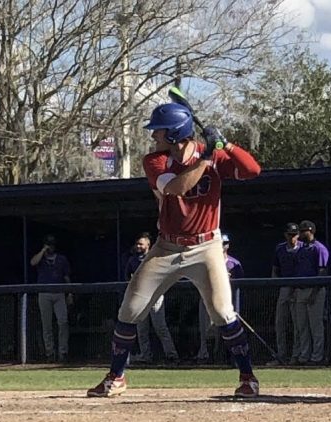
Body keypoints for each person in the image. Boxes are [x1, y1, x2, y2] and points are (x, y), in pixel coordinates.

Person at [87, 102, 261, 397]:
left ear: (176, 133)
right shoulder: (156, 160)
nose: (154, 136)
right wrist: (206, 157)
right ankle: (116, 377)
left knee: (222, 311)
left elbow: (253, 170)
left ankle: (248, 377)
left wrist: (227, 145)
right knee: (130, 309)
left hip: (206, 246)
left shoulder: (214, 156)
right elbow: (177, 187)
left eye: (159, 131)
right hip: (167, 246)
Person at [125, 232, 179, 364]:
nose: (138, 246)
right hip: (139, 296)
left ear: (148, 245)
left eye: (141, 244)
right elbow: (127, 277)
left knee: (160, 327)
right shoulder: (132, 260)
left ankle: (171, 355)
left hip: (155, 295)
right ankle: (145, 356)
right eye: (137, 244)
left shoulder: (155, 257)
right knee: (141, 329)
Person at [196, 233, 244, 362]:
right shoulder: (207, 262)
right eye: (221, 244)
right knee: (207, 330)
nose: (223, 246)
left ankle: (225, 357)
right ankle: (208, 356)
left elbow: (240, 285)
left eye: (225, 244)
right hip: (207, 298)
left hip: (226, 301)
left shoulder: (234, 263)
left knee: (226, 330)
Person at [30, 235, 73, 362]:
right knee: (47, 325)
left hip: (59, 293)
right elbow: (33, 262)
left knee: (63, 322)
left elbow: (67, 277)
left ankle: (63, 352)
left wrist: (70, 293)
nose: (50, 247)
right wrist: (43, 251)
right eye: (48, 244)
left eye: (52, 245)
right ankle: (50, 353)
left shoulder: (61, 259)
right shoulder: (41, 258)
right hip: (44, 293)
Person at [266, 222, 303, 366]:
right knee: (280, 323)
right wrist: (275, 283)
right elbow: (275, 269)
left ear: (298, 235)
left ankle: (295, 355)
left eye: (294, 235)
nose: (292, 238)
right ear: (285, 235)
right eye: (289, 235)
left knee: (297, 324)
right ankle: (281, 355)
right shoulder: (280, 248)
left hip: (299, 288)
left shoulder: (303, 249)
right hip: (284, 287)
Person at [294, 220, 329, 365]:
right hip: (301, 289)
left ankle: (317, 357)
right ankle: (304, 356)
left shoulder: (319, 248)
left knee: (315, 326)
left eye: (304, 231)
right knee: (302, 326)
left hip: (315, 290)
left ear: (311, 231)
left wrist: (314, 292)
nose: (301, 234)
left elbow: (322, 272)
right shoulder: (301, 249)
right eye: (300, 231)